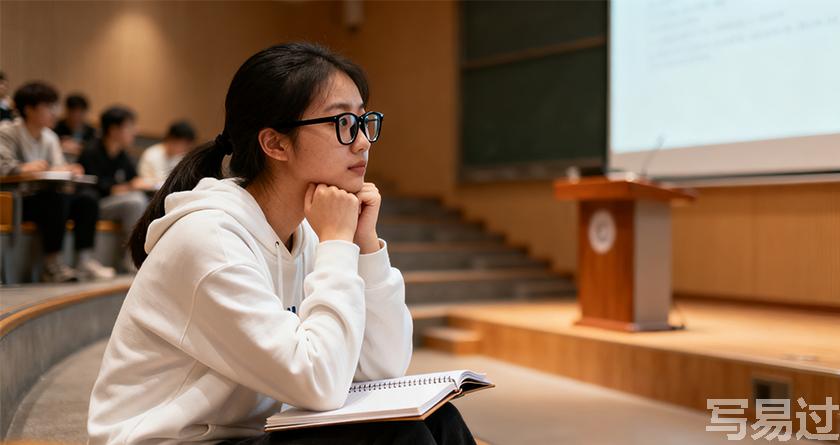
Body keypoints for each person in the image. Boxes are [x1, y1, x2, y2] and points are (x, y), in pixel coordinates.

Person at [87, 42, 475, 445]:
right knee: (397, 436)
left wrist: (365, 247)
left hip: (250, 435)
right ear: (275, 144)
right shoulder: (209, 240)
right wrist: (338, 245)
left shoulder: (304, 233)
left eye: (363, 121)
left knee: (439, 419)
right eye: (343, 122)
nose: (363, 141)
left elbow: (383, 367)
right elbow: (319, 384)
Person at [0, 81, 115, 281]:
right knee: (54, 199)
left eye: (55, 106)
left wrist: (69, 170)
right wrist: (23, 168)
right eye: (48, 106)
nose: (54, 112)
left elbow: (57, 168)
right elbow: (3, 166)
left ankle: (84, 261)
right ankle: (51, 266)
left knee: (87, 199)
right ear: (28, 109)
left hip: (46, 198)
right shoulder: (7, 132)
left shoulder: (50, 137)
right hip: (17, 199)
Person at [78, 106, 151, 270]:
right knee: (135, 201)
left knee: (142, 200)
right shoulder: (91, 151)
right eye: (130, 127)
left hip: (113, 203)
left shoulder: (122, 154)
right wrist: (129, 186)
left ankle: (137, 256)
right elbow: (97, 187)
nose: (135, 131)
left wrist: (138, 183)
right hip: (94, 205)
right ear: (113, 130)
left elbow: (134, 179)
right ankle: (131, 259)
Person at [137, 120, 196, 186]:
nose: (186, 148)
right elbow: (143, 181)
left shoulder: (182, 157)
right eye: (184, 144)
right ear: (171, 139)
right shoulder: (151, 154)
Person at [54, 93, 97, 161]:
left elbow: (94, 150)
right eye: (74, 112)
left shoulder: (91, 131)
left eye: (80, 112)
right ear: (67, 111)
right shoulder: (56, 127)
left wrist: (80, 147)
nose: (77, 116)